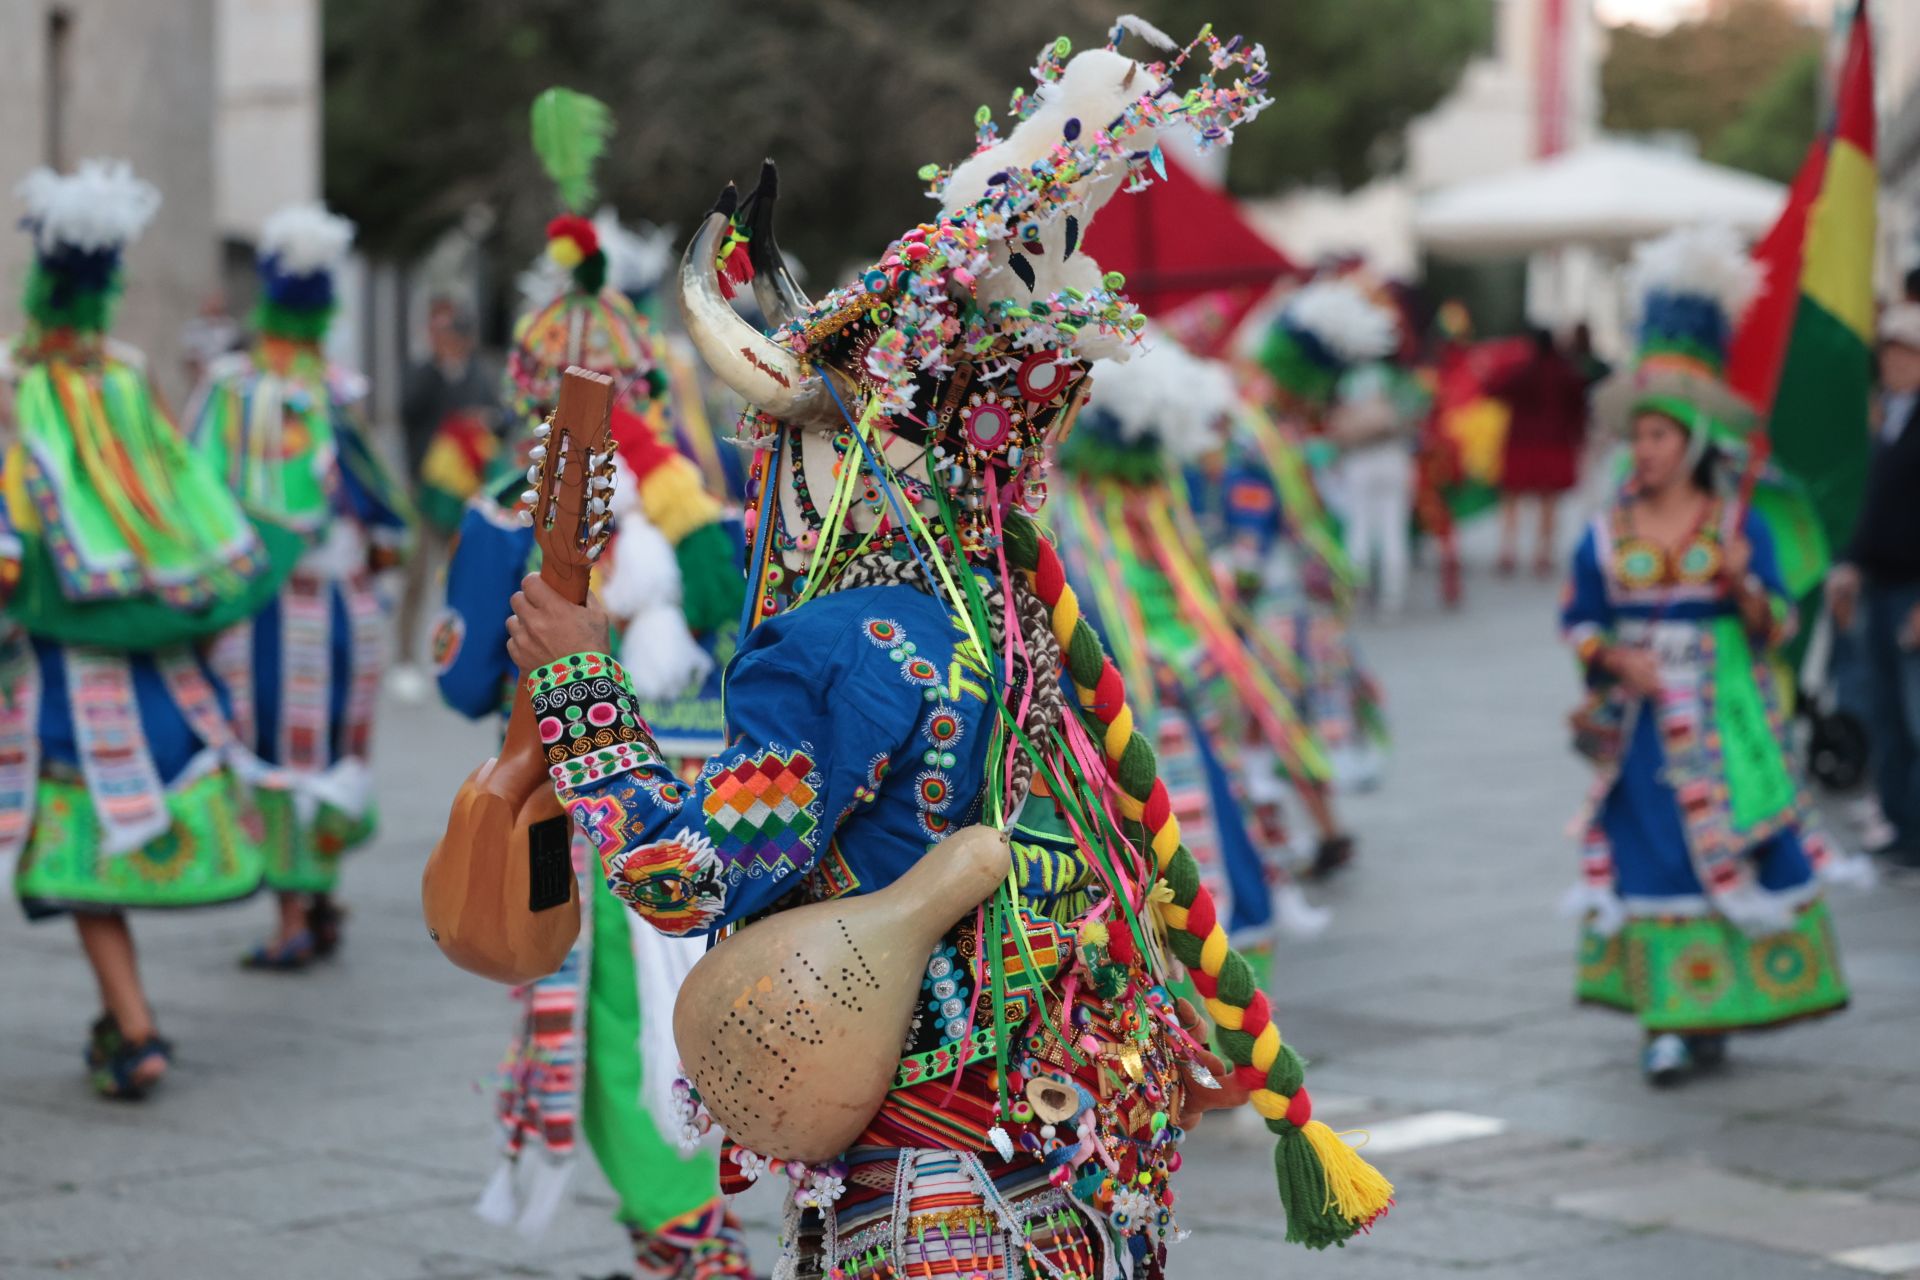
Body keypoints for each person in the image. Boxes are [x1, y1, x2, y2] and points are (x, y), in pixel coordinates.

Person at [498, 29, 1391, 1278]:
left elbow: (689, 874)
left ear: (840, 453)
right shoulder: (1001, 609)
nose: (774, 492)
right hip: (1067, 1146)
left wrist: (579, 682)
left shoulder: (833, 646)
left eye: (786, 450)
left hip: (924, 1174)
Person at [435, 91, 753, 1280]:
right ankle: (698, 1222)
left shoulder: (508, 519)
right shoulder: (722, 521)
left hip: (589, 820)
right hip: (725, 813)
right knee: (711, 1017)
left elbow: (470, 676)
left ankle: (683, 1235)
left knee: (619, 1031)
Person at [1, 161, 288, 1098]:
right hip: (157, 649)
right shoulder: (128, 382)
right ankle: (130, 1021)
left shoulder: (15, 387)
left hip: (64, 662)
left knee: (71, 854)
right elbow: (187, 501)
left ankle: (134, 1027)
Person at [1564, 227, 1858, 1087]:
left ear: (1693, 442)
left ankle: (1718, 1005)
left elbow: (1775, 633)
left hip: (1728, 721)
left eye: (1660, 436)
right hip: (1644, 727)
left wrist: (1744, 589)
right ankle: (1668, 1018)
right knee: (1652, 851)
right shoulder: (1602, 533)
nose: (1645, 451)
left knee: (1726, 845)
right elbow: (1580, 620)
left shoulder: (1739, 527)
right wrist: (1615, 664)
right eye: (1639, 436)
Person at [186, 203, 413, 968]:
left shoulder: (231, 391)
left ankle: (293, 913)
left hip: (272, 612)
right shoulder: (339, 393)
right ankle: (316, 894)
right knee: (326, 744)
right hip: (345, 606)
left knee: (279, 743)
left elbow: (199, 499)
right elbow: (386, 521)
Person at [1253, 279, 1395, 790]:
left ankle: (1314, 819)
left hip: (1300, 593)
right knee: (1277, 702)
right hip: (1272, 593)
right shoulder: (1257, 430)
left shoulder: (1289, 432)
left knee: (1296, 699)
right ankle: (1311, 822)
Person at [1826, 303, 1920, 870]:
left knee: (1914, 714)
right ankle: (1901, 826)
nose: (1892, 361)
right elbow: (1874, 507)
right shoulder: (1887, 416)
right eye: (1887, 351)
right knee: (1882, 712)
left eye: (1905, 351)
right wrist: (1850, 564)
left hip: (1913, 589)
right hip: (1879, 584)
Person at [392, 297, 496, 699]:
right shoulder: (422, 372)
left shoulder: (480, 375)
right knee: (416, 579)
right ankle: (404, 658)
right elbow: (407, 409)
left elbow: (498, 418)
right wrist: (439, 371)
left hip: (466, 496)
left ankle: (461, 660)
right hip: (424, 493)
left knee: (464, 581)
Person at [1490, 326, 1589, 578]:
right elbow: (1580, 407)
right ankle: (1542, 554)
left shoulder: (1523, 370)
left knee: (1511, 499)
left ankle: (1507, 551)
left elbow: (1495, 389)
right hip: (1555, 443)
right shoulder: (1566, 372)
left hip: (1521, 443)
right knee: (1549, 501)